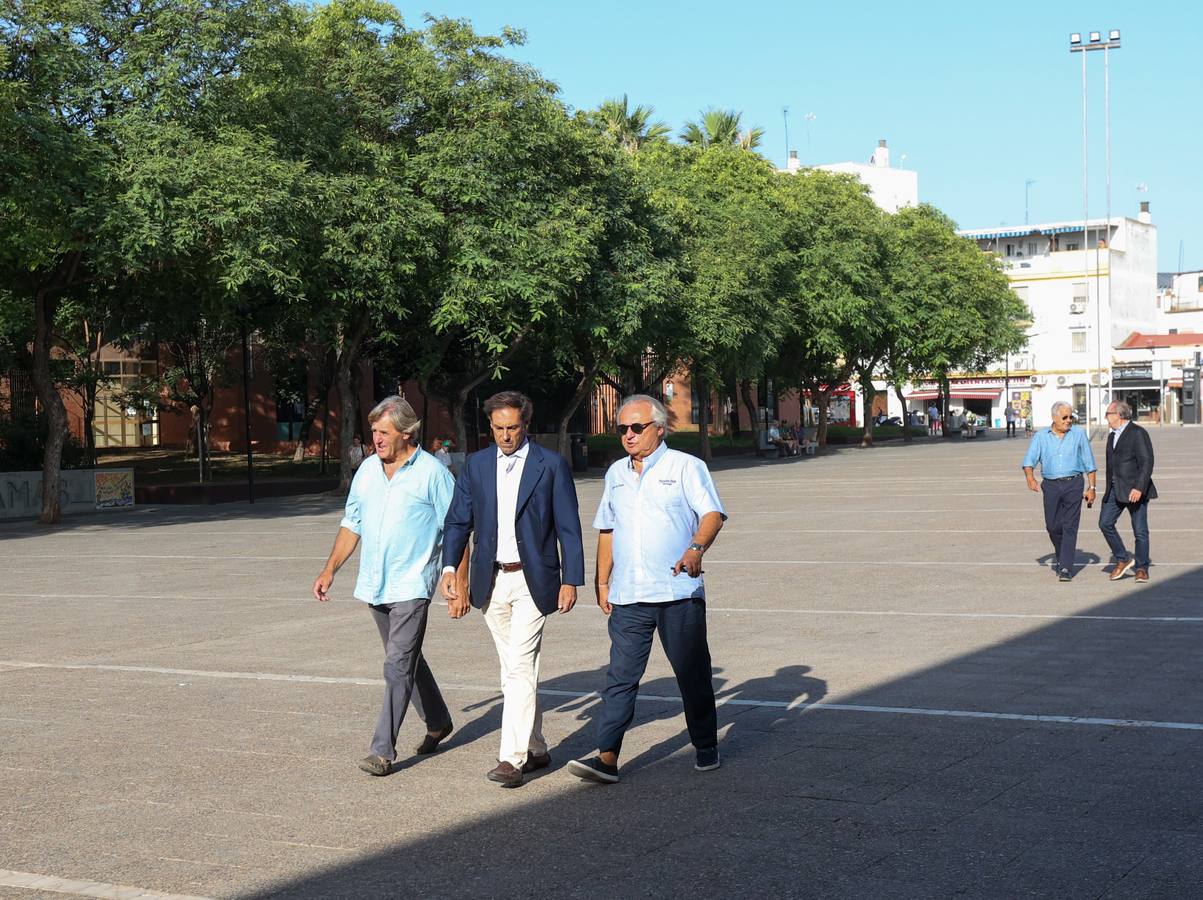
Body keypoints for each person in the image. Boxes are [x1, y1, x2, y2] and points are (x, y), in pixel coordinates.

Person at [568, 394, 727, 784]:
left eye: (636, 427)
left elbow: (712, 514)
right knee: (620, 677)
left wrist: (695, 549)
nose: (628, 435)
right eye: (622, 428)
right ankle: (607, 757)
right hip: (629, 596)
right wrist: (602, 580)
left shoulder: (686, 467)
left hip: (677, 593)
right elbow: (607, 528)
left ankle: (705, 743)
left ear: (659, 428)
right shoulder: (616, 474)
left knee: (691, 675)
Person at [440, 391, 585, 788]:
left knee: (519, 665)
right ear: (490, 427)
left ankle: (511, 759)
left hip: (533, 580)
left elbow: (568, 526)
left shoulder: (550, 464)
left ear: (526, 425)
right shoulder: (477, 464)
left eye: (513, 428)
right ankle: (536, 746)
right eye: (499, 428)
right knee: (514, 671)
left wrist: (571, 578)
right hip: (491, 581)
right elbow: (458, 521)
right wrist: (451, 567)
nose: (506, 436)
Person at [312, 397, 457, 776]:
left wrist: (454, 575)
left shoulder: (432, 473)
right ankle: (439, 720)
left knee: (396, 664)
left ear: (407, 434)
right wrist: (330, 569)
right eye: (374, 431)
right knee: (407, 659)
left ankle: (382, 750)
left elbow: (456, 527)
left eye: (383, 432)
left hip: (412, 583)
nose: (375, 438)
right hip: (376, 583)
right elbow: (351, 523)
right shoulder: (366, 472)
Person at [1021, 400, 1098, 582]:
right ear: (1054, 418)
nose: (1069, 420)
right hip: (1051, 486)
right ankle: (1061, 554)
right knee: (1053, 526)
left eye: (1071, 417)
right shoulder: (1041, 436)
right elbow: (1029, 460)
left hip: (1074, 484)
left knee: (1070, 526)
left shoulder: (1078, 435)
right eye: (1065, 417)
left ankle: (1065, 567)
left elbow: (1089, 462)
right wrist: (1030, 478)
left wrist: (1092, 488)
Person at [1099, 400, 1157, 582]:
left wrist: (1139, 487)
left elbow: (1147, 462)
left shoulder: (1138, 433)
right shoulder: (1111, 436)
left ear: (1118, 415)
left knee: (1140, 531)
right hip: (1115, 489)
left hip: (1134, 490)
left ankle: (1141, 568)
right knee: (1104, 523)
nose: (1105, 418)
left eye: (1108, 414)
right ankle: (1123, 559)